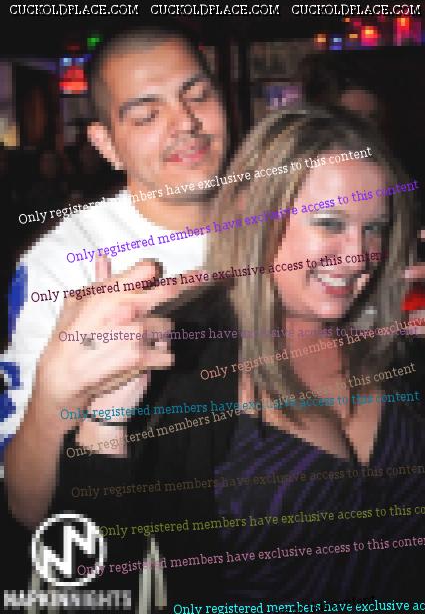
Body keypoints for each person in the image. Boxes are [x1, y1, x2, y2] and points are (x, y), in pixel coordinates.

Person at [10, 107, 424, 606]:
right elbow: (83, 570)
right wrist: (101, 422)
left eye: (375, 228)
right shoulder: (179, 351)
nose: (358, 256)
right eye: (329, 222)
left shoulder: (396, 342)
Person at [2, 26, 227, 524]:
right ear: (106, 144)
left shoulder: (285, 220)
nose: (186, 123)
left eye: (198, 96)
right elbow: (23, 503)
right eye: (147, 115)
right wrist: (56, 398)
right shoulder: (64, 262)